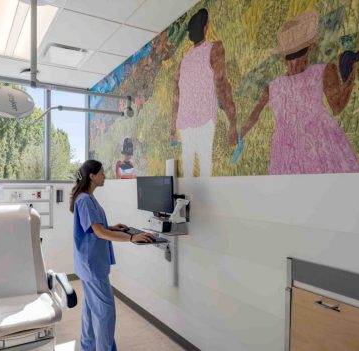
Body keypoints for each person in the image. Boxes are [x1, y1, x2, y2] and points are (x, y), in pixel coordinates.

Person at [240, 11, 359, 174]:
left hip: (285, 150)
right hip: (319, 143)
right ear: (311, 47)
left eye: (296, 54)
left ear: (282, 56)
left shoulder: (273, 86)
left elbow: (253, 117)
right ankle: (348, 62)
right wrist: (352, 73)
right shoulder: (324, 70)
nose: (295, 62)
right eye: (293, 55)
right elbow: (337, 106)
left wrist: (239, 135)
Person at [70, 160, 155, 351]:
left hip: (88, 264)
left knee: (92, 310)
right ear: (92, 176)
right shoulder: (85, 200)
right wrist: (131, 237)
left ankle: (88, 347)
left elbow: (94, 228)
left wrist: (112, 227)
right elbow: (99, 233)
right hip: (92, 266)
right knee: (105, 314)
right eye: (101, 173)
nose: (104, 176)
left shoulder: (87, 197)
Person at [172, 8, 238, 177]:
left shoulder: (184, 61)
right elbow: (221, 83)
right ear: (206, 27)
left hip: (185, 120)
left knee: (187, 166)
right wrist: (232, 121)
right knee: (205, 164)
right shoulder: (215, 48)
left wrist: (174, 125)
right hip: (204, 117)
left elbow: (176, 95)